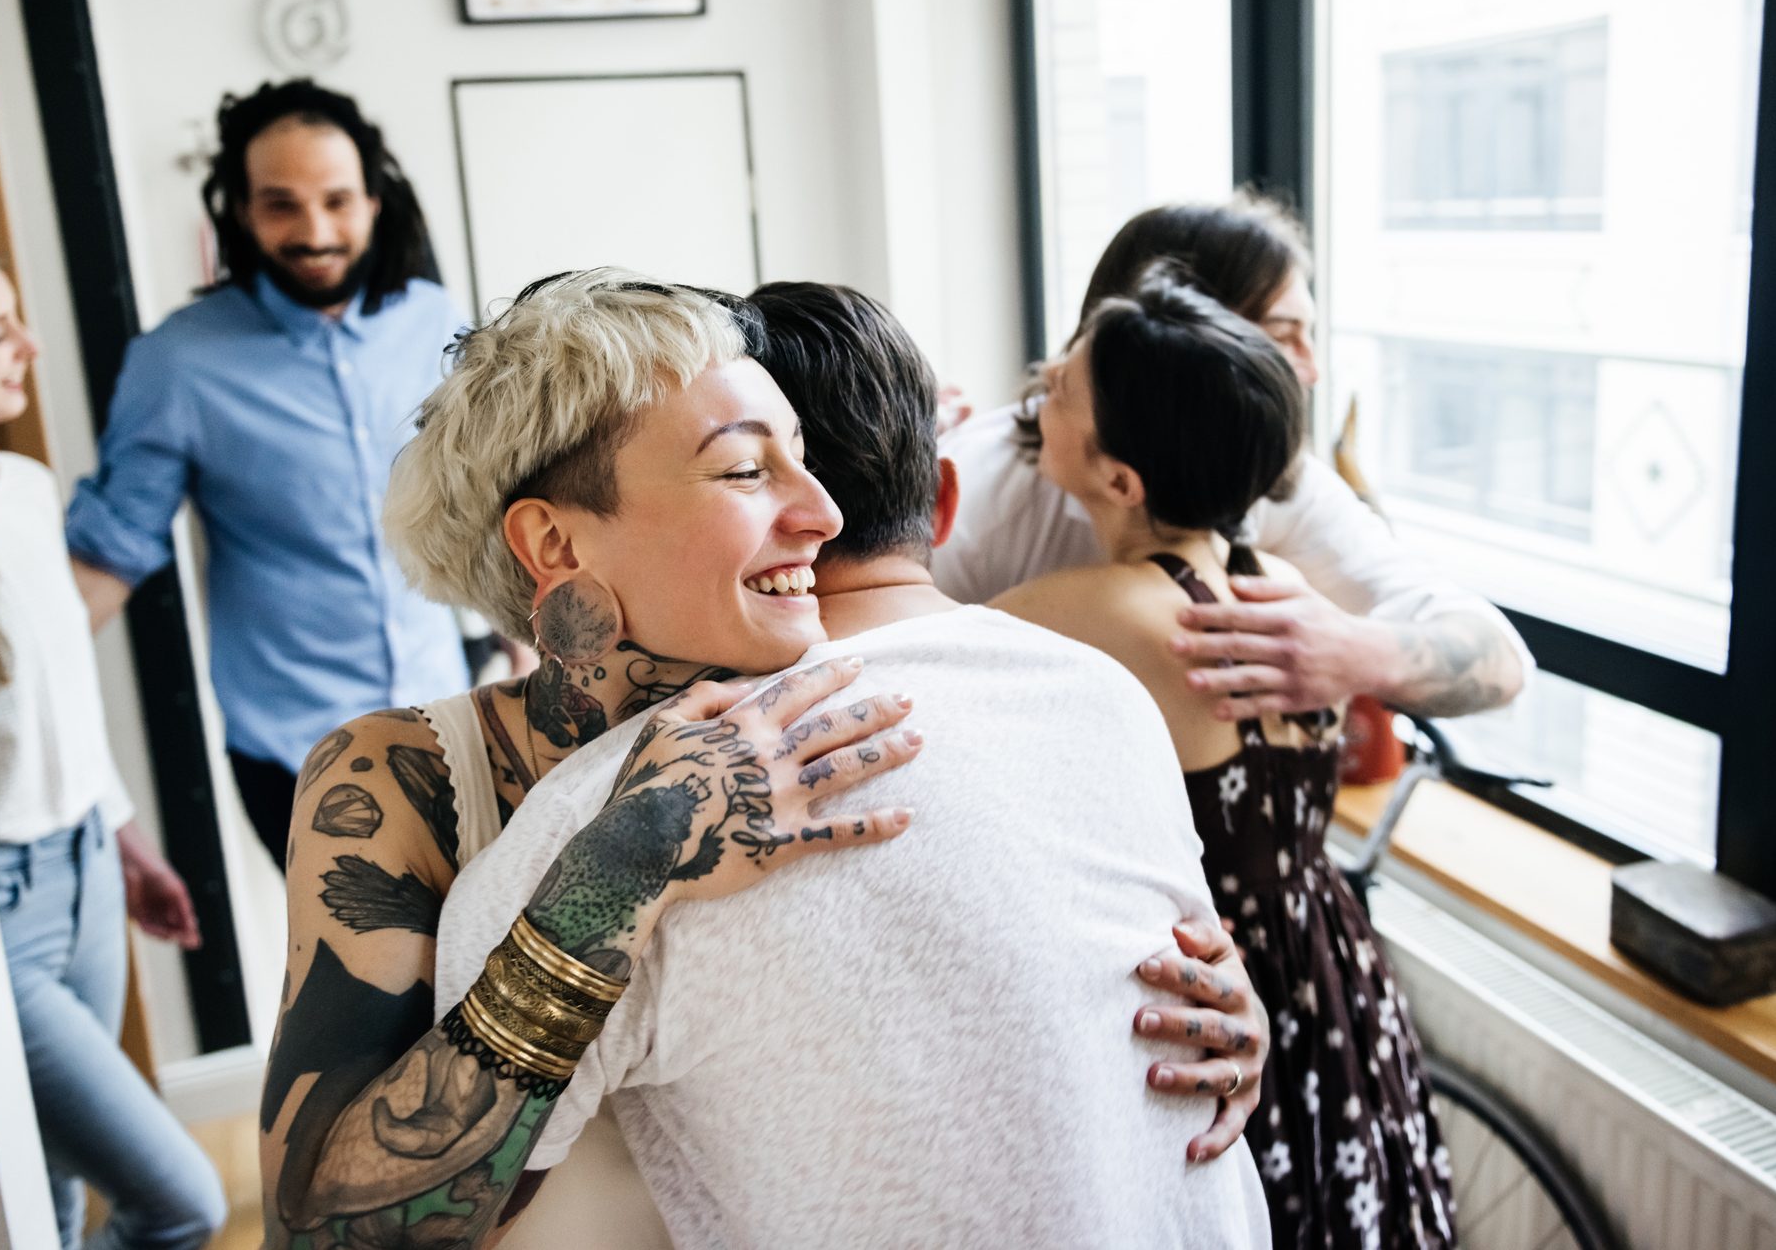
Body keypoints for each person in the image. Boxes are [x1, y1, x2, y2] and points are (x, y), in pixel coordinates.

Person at [426, 275, 1274, 1247]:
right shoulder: (1101, 693)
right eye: (744, 467)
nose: (814, 507)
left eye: (789, 457)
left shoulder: (590, 827)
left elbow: (441, 1210)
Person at [995, 260, 1456, 1248]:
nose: (1037, 395)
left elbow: (908, 636)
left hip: (1217, 981)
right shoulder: (1276, 579)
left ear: (1118, 478)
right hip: (1321, 951)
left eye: (1059, 391)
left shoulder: (1108, 609)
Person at [0, 223, 226, 1250]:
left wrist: (124, 842)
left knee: (56, 1196)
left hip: (84, 873)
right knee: (182, 1202)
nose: (27, 343)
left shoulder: (25, 493)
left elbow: (62, 703)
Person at [64, 79, 470, 868]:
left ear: (374, 202)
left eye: (337, 201)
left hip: (454, 722)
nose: (315, 231)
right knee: (377, 988)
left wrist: (520, 643)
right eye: (282, 204)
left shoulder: (434, 319)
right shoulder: (176, 363)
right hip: (300, 756)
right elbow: (109, 555)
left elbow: (493, 496)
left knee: (489, 967)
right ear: (241, 213)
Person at [936, 194, 1531, 723]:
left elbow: (1501, 660)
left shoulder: (1284, 489)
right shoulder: (979, 492)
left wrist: (1357, 653)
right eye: (1282, 333)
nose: (1310, 370)